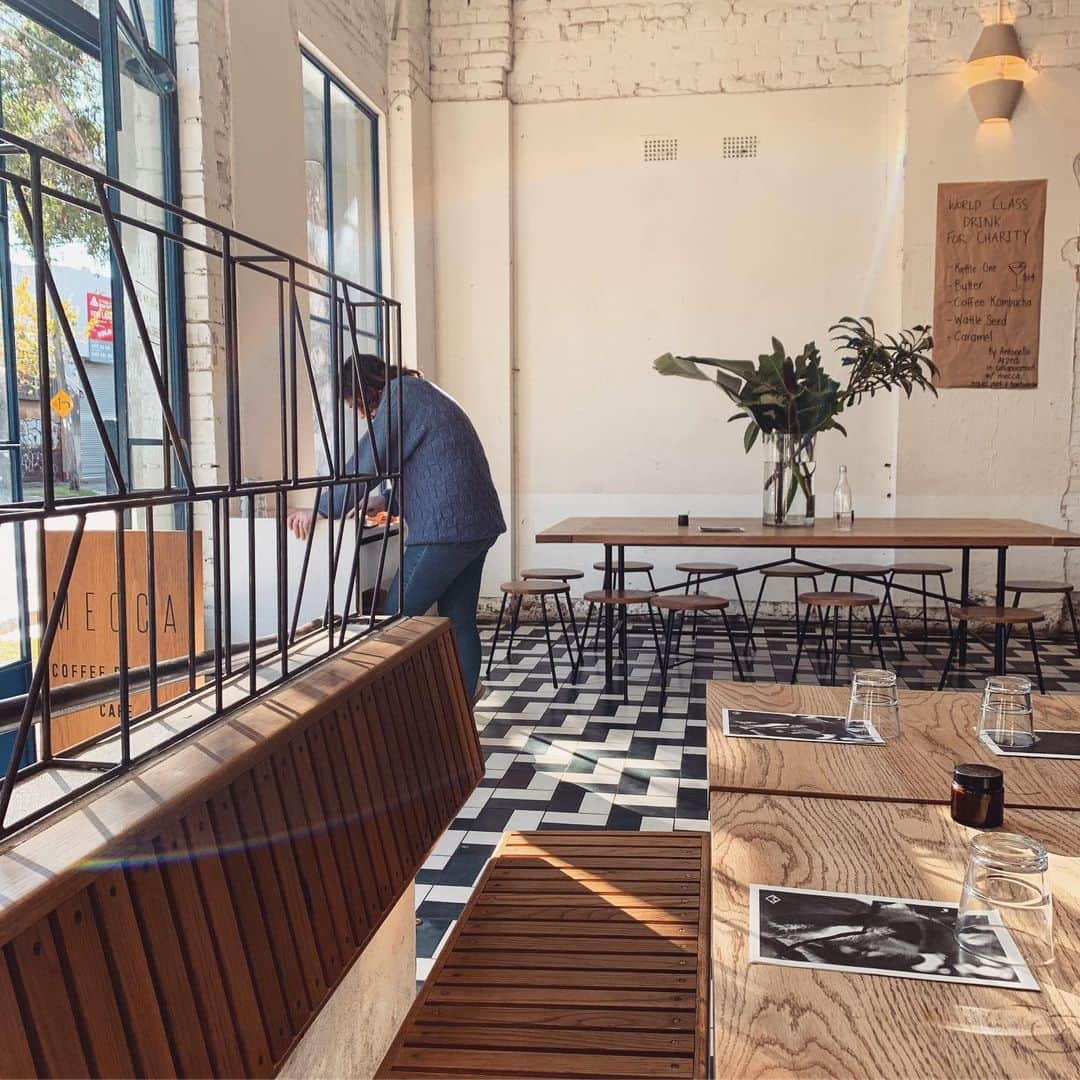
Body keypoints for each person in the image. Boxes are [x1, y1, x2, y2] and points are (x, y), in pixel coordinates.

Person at [287, 355, 506, 697]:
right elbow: (435, 467)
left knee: (393, 622)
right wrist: (383, 501)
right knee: (459, 619)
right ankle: (463, 701)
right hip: (477, 524)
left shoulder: (401, 396)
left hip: (445, 530)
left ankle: (392, 707)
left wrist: (320, 508)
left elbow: (365, 462)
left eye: (356, 405)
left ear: (366, 389)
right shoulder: (421, 392)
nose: (360, 415)